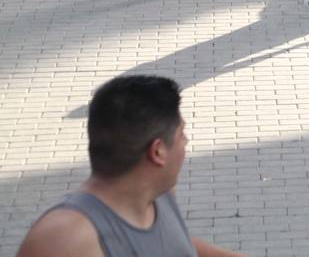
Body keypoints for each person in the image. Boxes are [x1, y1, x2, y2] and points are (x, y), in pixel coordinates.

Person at [16, 74, 244, 257]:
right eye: (181, 133)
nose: (186, 141)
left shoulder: (158, 194)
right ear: (157, 152)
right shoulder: (64, 238)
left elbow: (168, 245)